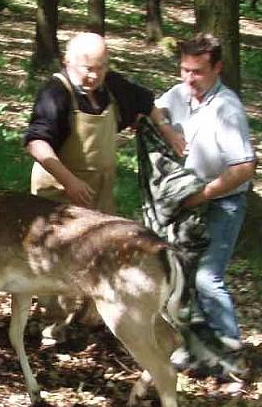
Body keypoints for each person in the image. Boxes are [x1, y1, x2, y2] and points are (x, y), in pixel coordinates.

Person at [23, 32, 179, 341]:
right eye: (86, 68)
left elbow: (147, 103)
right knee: (57, 261)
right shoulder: (56, 93)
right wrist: (69, 180)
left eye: (100, 67)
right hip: (59, 193)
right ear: (68, 62)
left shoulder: (111, 87)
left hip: (99, 191)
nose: (93, 75)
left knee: (97, 255)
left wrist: (167, 130)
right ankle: (54, 327)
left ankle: (92, 316)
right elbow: (36, 143)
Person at [156, 33, 256, 372]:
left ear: (218, 68)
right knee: (181, 276)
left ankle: (231, 354)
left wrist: (202, 195)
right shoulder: (180, 94)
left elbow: (244, 167)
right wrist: (167, 131)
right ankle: (197, 348)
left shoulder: (227, 108)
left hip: (221, 203)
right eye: (184, 69)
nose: (189, 78)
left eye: (197, 71)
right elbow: (153, 111)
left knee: (206, 278)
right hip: (189, 203)